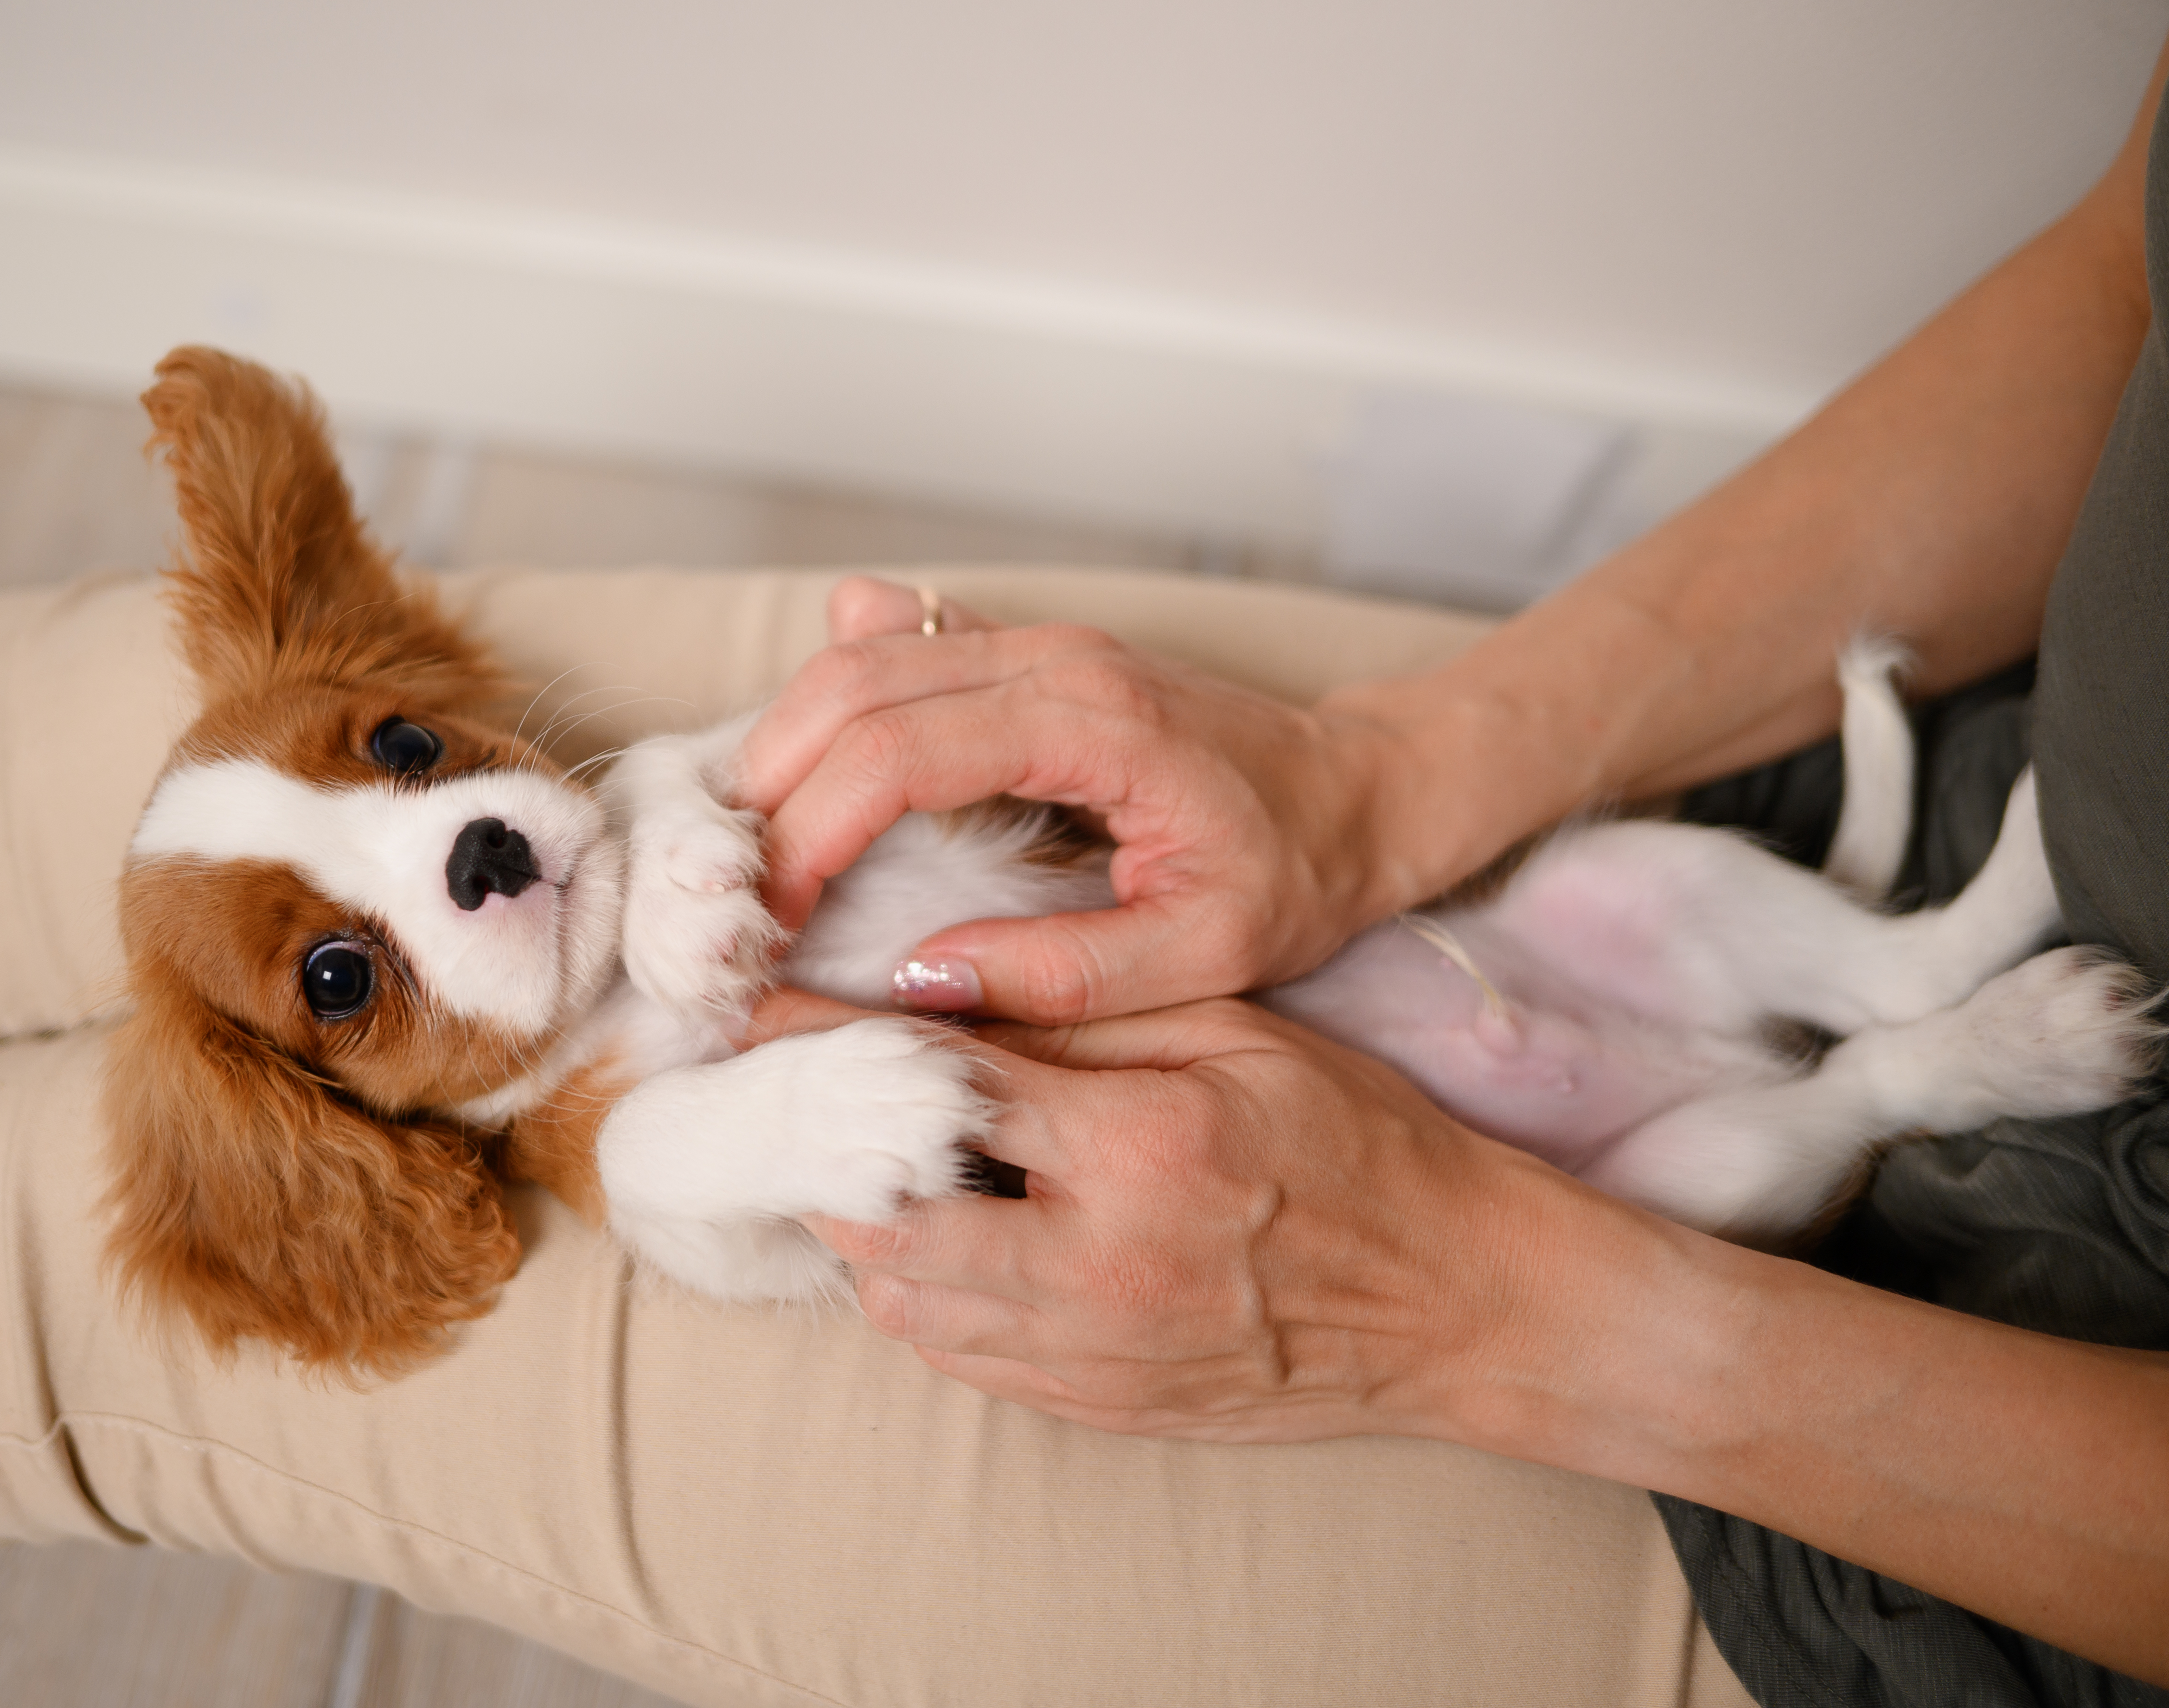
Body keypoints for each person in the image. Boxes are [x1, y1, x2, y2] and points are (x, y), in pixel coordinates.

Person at [729, 40, 2169, 1697]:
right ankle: (1899, 970)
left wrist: (1476, 1310)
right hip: (1555, 938)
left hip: (1841, 1344)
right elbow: (2126, 264)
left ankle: (1905, 1050)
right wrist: (1375, 780)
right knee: (1627, 890)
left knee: (1711, 1165)